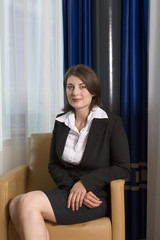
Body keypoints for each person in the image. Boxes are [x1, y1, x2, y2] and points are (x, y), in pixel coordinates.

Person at [9, 64, 130, 240]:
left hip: (94, 198)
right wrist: (74, 186)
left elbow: (123, 168)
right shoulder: (61, 122)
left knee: (27, 202)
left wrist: (85, 184)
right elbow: (53, 165)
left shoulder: (111, 123)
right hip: (67, 190)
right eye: (70, 87)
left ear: (93, 91)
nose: (75, 93)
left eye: (82, 87)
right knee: (14, 204)